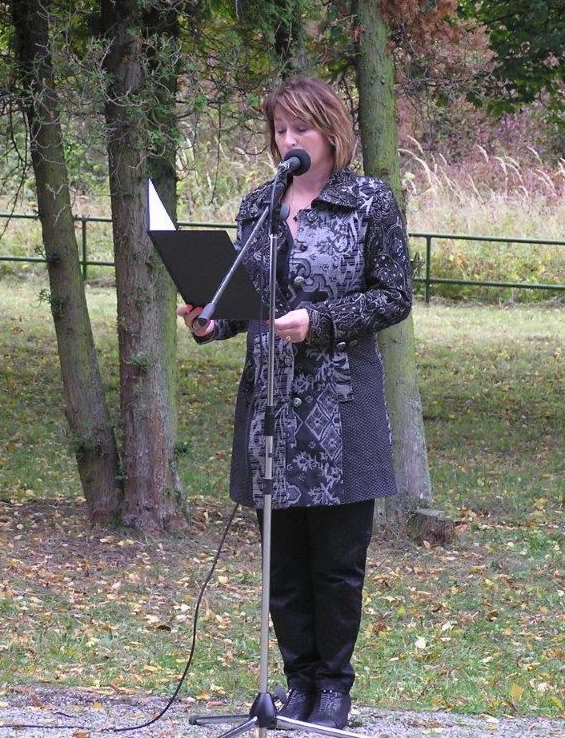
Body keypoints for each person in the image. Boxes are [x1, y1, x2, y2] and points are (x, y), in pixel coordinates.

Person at [177, 76, 412, 730]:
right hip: (270, 407)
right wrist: (210, 322)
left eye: (300, 129)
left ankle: (333, 687)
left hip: (341, 406)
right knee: (282, 564)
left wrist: (322, 322)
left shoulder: (369, 202)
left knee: (335, 563)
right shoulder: (259, 206)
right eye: (279, 130)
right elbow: (242, 300)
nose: (288, 141)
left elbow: (394, 297)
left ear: (330, 131)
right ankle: (297, 683)